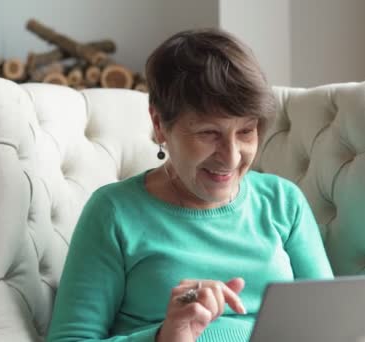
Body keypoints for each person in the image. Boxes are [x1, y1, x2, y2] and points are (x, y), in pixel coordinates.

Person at [47, 27, 333, 342]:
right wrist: (165, 337)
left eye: (246, 132)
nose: (231, 157)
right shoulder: (114, 212)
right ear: (159, 125)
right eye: (209, 133)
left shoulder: (284, 202)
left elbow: (333, 326)